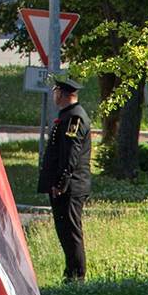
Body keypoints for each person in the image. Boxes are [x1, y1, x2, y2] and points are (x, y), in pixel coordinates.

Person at [38, 77, 92, 282]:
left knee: (71, 231)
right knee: (64, 230)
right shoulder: (68, 115)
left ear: (62, 93)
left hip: (71, 186)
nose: (54, 95)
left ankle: (77, 274)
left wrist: (61, 183)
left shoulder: (74, 118)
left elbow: (70, 154)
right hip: (65, 186)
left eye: (55, 91)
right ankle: (70, 271)